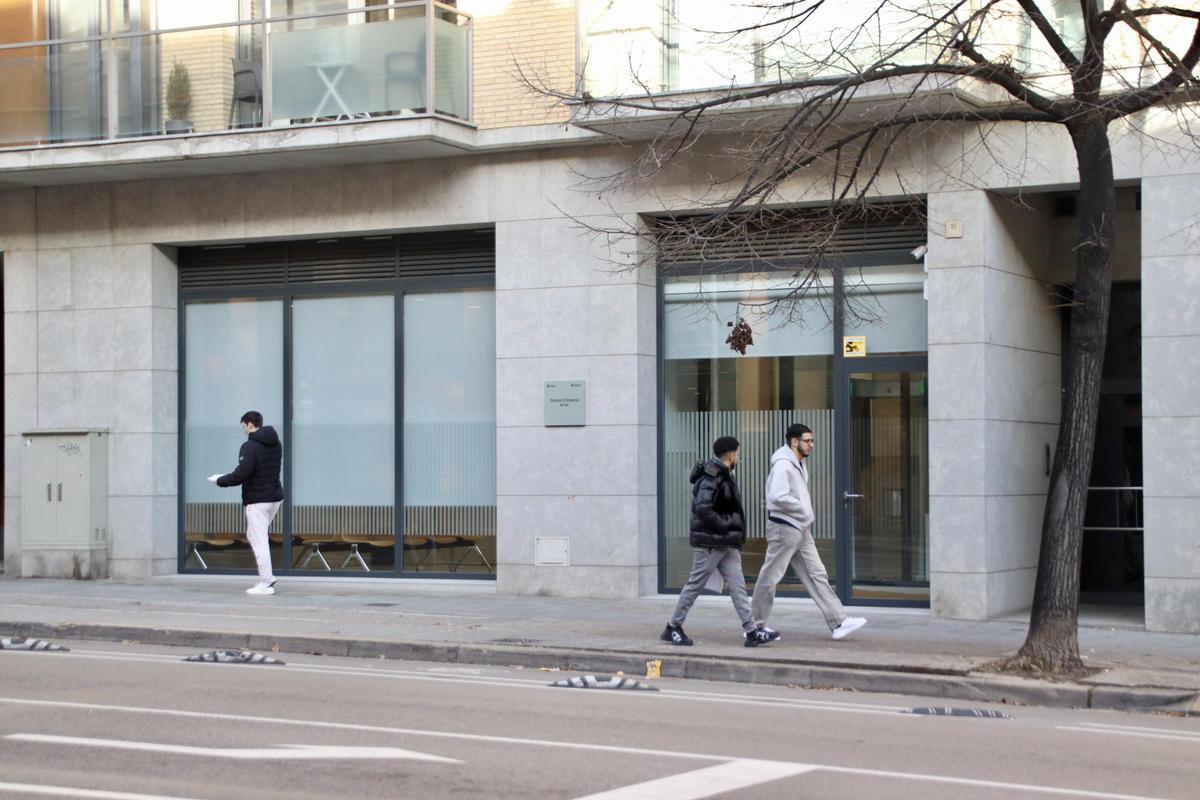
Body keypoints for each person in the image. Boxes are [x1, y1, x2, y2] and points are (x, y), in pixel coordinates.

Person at [662, 436, 780, 648]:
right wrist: (728, 524)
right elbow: (703, 509)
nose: (739, 457)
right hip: (710, 543)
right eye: (738, 453)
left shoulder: (724, 474)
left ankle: (751, 631)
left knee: (738, 587)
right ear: (732, 454)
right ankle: (673, 627)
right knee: (694, 585)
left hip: (726, 543)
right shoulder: (711, 477)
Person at [751, 423, 866, 640]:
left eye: (812, 441)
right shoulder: (784, 465)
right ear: (794, 442)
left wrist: (802, 514)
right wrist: (801, 508)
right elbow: (776, 496)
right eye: (807, 441)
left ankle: (839, 621)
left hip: (800, 528)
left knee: (817, 573)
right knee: (770, 576)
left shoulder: (798, 463)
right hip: (784, 528)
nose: (811, 444)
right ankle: (754, 625)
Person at [208, 411, 284, 596]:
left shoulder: (249, 446)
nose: (243, 430)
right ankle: (266, 579)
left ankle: (266, 582)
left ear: (250, 424)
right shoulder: (276, 443)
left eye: (244, 426)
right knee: (254, 534)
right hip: (274, 498)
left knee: (259, 541)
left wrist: (220, 480)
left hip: (257, 500)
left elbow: (241, 474)